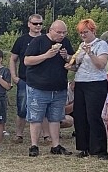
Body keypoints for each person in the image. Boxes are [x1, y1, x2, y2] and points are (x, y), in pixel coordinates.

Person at [22, 19, 75, 156]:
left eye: (64, 32)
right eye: (59, 32)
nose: (62, 35)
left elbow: (73, 60)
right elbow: (27, 60)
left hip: (59, 87)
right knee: (36, 118)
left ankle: (55, 145)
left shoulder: (66, 43)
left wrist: (67, 57)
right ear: (50, 30)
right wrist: (46, 55)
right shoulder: (38, 41)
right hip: (38, 87)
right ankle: (34, 145)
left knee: (55, 118)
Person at [69, 19, 108, 159]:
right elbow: (77, 65)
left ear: (93, 30)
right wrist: (68, 62)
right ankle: (83, 147)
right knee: (80, 116)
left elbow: (101, 65)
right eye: (81, 33)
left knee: (93, 116)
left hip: (96, 83)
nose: (83, 35)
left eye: (85, 32)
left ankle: (99, 150)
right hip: (81, 82)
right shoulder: (81, 45)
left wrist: (91, 53)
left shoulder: (101, 44)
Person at [9, 14, 44, 144]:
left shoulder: (47, 39)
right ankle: (19, 135)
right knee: (22, 108)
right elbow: (13, 59)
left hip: (42, 79)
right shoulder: (21, 40)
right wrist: (14, 76)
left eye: (40, 23)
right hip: (24, 78)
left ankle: (45, 136)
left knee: (42, 108)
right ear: (29, 24)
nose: (38, 26)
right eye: (35, 23)